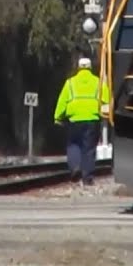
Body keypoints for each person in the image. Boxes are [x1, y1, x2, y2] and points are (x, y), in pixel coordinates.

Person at [53, 56, 111, 185]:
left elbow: (62, 101)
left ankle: (75, 167)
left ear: (78, 68)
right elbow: (106, 100)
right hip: (92, 120)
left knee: (73, 145)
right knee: (89, 149)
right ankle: (87, 178)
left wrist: (57, 117)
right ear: (90, 68)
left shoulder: (70, 83)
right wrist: (106, 116)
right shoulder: (99, 82)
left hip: (74, 120)